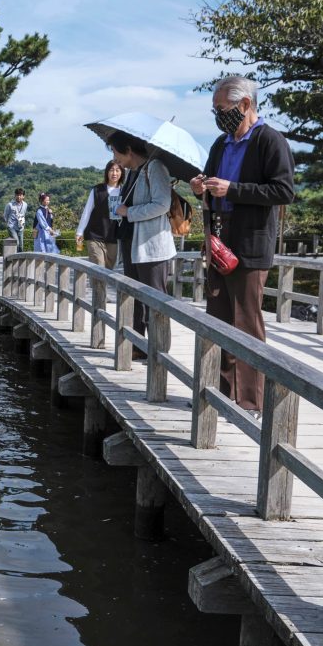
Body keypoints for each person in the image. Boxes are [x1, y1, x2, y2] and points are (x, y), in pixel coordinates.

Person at [188, 76, 295, 416]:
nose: (219, 116)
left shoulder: (270, 141)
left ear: (245, 105)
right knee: (217, 319)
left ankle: (250, 401)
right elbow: (210, 184)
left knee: (247, 323)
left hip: (250, 243)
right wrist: (200, 187)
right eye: (216, 110)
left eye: (222, 109)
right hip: (220, 240)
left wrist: (232, 189)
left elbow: (283, 191)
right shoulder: (221, 144)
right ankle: (217, 391)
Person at [107, 130, 176, 360]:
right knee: (134, 296)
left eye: (116, 153)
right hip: (132, 243)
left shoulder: (155, 168)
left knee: (154, 300)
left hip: (152, 246)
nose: (115, 159)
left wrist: (130, 212)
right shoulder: (134, 172)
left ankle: (159, 350)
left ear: (128, 149)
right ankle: (136, 345)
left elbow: (162, 204)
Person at [75, 161, 123, 268]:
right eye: (111, 170)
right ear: (106, 172)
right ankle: (97, 285)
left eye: (117, 170)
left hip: (113, 237)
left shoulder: (124, 192)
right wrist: (79, 232)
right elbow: (87, 211)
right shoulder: (97, 190)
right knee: (98, 267)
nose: (114, 173)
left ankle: (100, 286)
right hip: (94, 235)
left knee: (108, 270)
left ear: (121, 173)